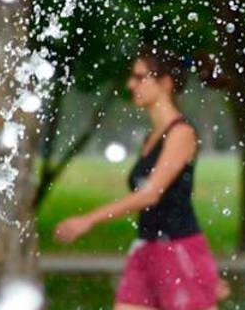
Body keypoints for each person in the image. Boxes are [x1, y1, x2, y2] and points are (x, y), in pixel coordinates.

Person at [53, 45, 231, 310]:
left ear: (166, 83)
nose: (131, 84)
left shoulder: (181, 134)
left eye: (139, 77)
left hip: (177, 249)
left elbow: (151, 194)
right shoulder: (152, 137)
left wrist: (89, 219)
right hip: (146, 248)